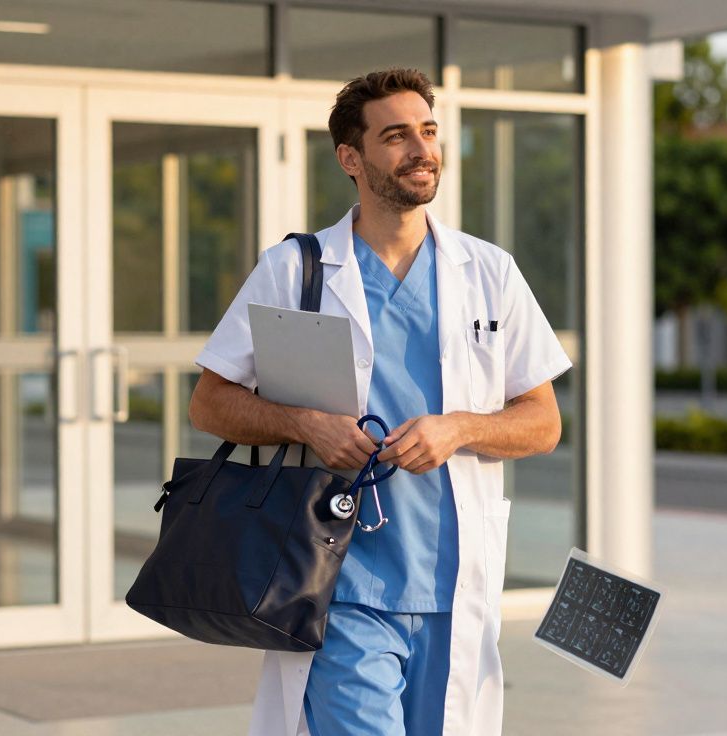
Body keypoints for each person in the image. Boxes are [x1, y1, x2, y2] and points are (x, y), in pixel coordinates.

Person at [187, 68, 572, 736]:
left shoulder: (489, 272)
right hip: (339, 589)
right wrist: (301, 422)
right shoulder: (293, 271)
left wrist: (458, 430)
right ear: (351, 158)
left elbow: (542, 422)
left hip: (454, 586)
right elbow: (211, 403)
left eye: (427, 132)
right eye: (396, 136)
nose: (421, 150)